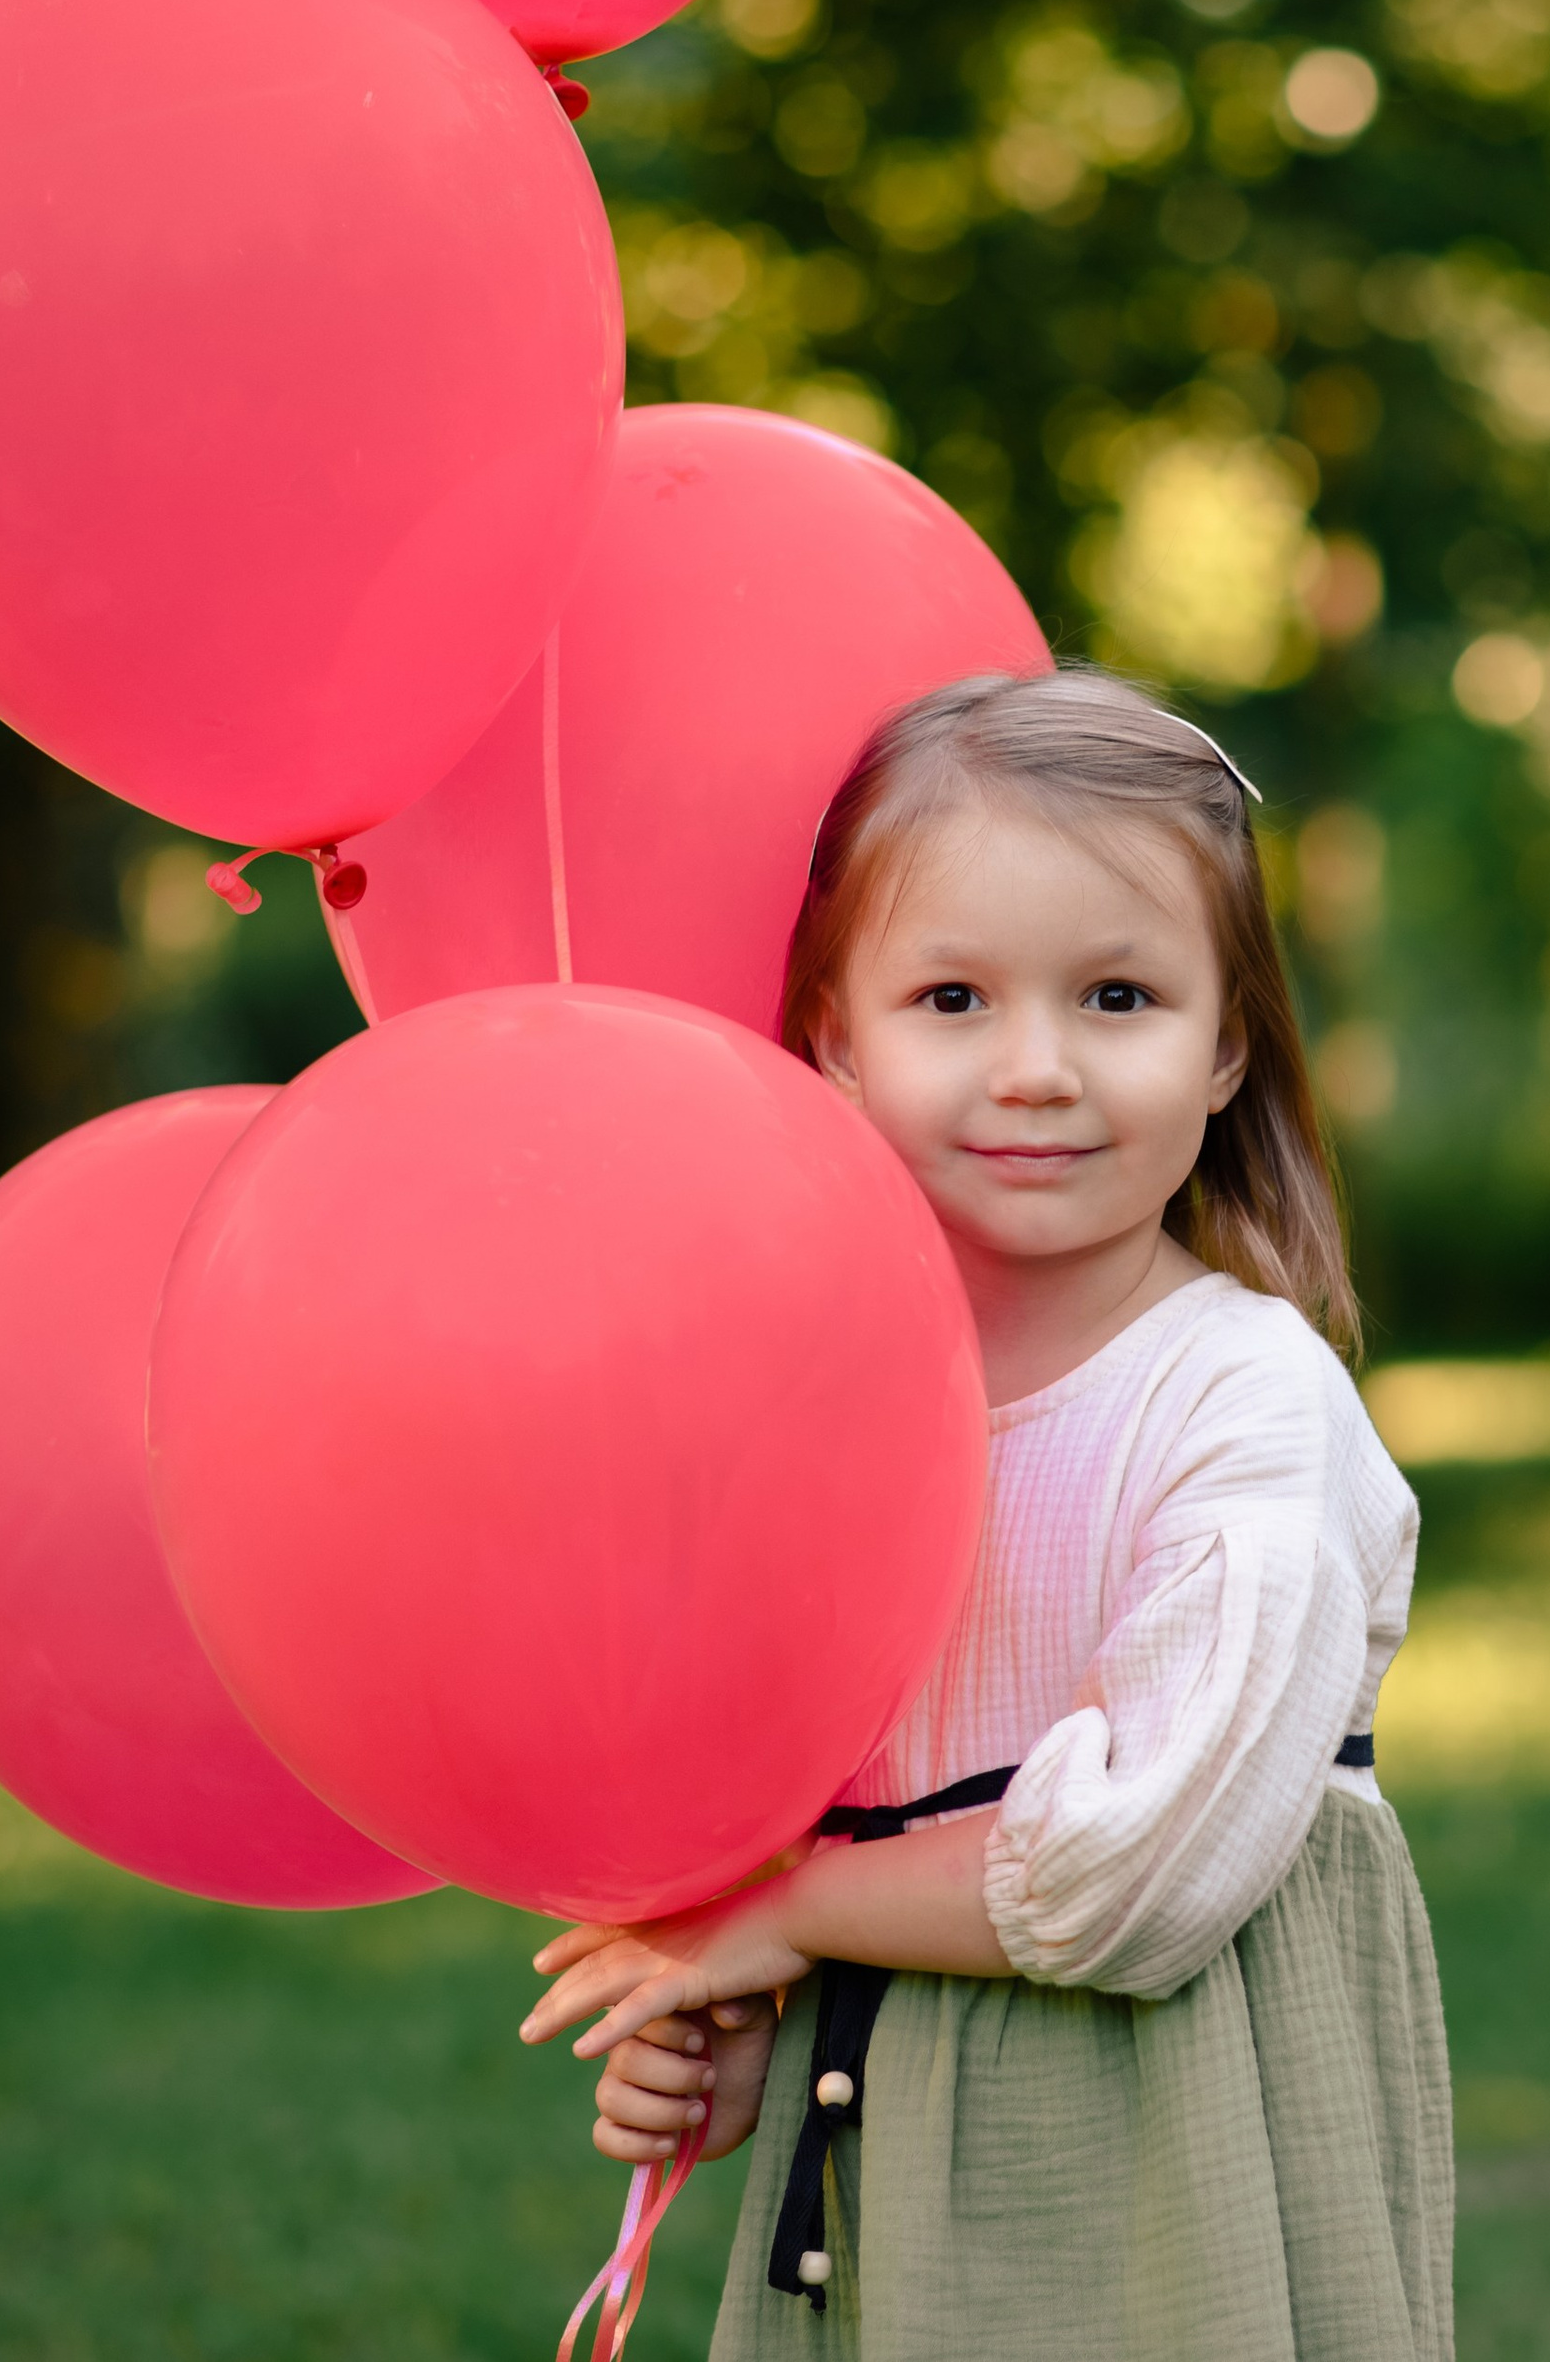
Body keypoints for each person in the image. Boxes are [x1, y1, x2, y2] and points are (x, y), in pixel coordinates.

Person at [519, 668, 1452, 2362]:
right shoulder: (813, 1418)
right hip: (892, 2151)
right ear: (835, 1041)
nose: (1036, 1070)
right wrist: (743, 2023)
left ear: (1227, 1044)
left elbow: (1136, 1869)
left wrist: (784, 1913)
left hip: (1179, 2164)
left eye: (1118, 996)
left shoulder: (1243, 1401)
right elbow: (831, 1798)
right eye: (952, 998)